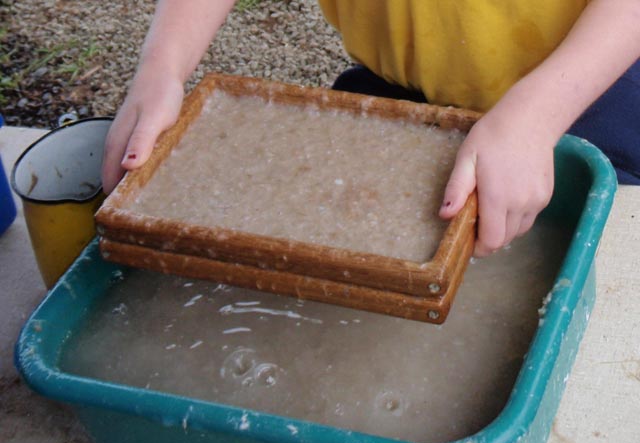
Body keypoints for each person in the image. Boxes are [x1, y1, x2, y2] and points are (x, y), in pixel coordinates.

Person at [101, 0, 640, 257]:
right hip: (403, 83)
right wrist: (163, 68)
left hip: (584, 79)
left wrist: (537, 115)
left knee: (604, 260)